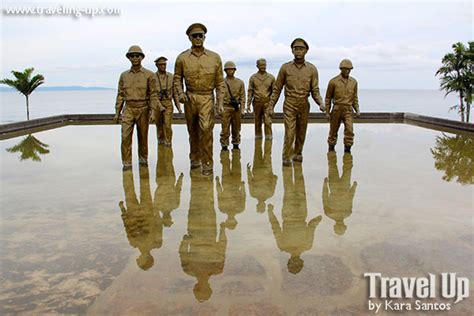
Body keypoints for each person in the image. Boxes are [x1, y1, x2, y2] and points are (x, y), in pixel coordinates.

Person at [173, 23, 225, 177]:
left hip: (206, 97)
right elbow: (177, 79)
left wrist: (219, 103)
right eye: (194, 36)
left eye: (200, 35)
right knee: (193, 131)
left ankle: (207, 164)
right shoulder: (182, 58)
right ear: (189, 38)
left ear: (204, 37)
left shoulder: (215, 57)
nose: (197, 38)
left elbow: (220, 83)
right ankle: (195, 160)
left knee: (206, 130)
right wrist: (180, 93)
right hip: (190, 97)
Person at [268, 38, 325, 166]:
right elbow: (277, 89)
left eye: (301, 48)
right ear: (292, 50)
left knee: (301, 131)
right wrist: (271, 106)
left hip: (304, 103)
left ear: (306, 51)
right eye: (296, 48)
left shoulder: (312, 69)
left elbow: (315, 90)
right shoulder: (285, 68)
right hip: (289, 103)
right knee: (290, 132)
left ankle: (298, 153)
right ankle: (286, 156)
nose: (298, 51)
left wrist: (321, 103)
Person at [114, 45, 161, 171]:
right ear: (129, 58)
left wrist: (153, 112)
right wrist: (117, 112)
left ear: (141, 57)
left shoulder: (149, 75)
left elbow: (153, 95)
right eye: (132, 56)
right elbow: (120, 95)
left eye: (137, 56)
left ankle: (143, 161)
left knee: (143, 137)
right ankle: (127, 163)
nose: (135, 58)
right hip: (128, 109)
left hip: (143, 109)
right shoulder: (124, 76)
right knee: (125, 137)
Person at [325, 59, 360, 153]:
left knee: (349, 130)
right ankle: (331, 149)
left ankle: (347, 150)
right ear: (341, 69)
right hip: (336, 109)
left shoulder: (354, 82)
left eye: (349, 69)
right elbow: (328, 98)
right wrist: (327, 112)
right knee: (333, 131)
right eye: (345, 69)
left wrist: (357, 109)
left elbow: (355, 97)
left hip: (348, 110)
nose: (348, 71)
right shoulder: (333, 82)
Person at [153, 56, 182, 146]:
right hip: (157, 104)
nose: (163, 66)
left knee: (167, 124)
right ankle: (160, 142)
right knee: (159, 125)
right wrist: (157, 107)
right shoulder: (153, 77)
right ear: (157, 65)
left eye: (164, 64)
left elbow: (175, 94)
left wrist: (179, 108)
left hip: (168, 103)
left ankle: (168, 142)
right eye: (161, 64)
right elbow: (152, 95)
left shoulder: (171, 77)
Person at [247, 58, 275, 139]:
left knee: (268, 122)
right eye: (261, 65)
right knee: (257, 123)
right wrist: (248, 104)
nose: (263, 67)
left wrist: (272, 105)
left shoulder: (271, 77)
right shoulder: (253, 78)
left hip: (267, 103)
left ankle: (269, 141)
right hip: (256, 103)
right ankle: (258, 140)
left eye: (265, 65)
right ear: (257, 66)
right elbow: (250, 91)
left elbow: (274, 93)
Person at [220, 61, 246, 151]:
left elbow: (243, 97)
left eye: (232, 69)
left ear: (235, 70)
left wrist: (242, 109)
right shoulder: (221, 82)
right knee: (225, 130)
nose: (230, 71)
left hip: (236, 109)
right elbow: (218, 96)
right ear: (225, 70)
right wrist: (218, 108)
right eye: (228, 69)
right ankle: (224, 146)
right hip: (225, 107)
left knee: (236, 129)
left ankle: (236, 144)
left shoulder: (240, 82)